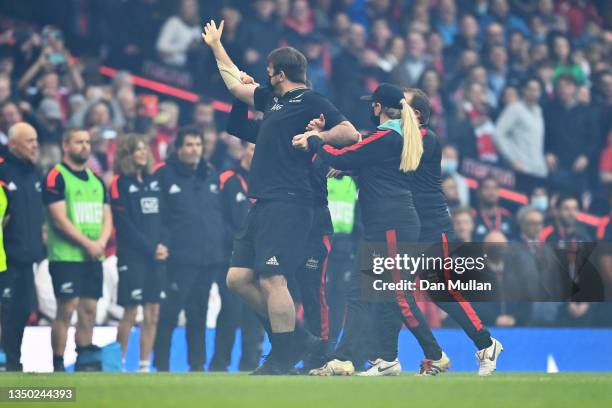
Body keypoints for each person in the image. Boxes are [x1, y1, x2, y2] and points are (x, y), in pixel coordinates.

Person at [202, 20, 358, 374]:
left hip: (291, 201)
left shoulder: (310, 100)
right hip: (265, 201)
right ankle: (296, 341)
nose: (265, 76)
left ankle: (283, 355)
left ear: (280, 73)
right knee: (238, 279)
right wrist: (216, 46)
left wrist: (317, 138)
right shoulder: (273, 101)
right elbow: (235, 84)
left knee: (274, 279)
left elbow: (349, 132)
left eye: (269, 71)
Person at [293, 83, 445, 376]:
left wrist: (314, 139)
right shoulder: (397, 138)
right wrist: (349, 165)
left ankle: (435, 355)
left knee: (396, 296)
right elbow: (370, 165)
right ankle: (345, 358)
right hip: (391, 222)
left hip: (390, 224)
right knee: (360, 293)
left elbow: (342, 156)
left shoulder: (386, 136)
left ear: (377, 107)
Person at [365, 88, 501, 377]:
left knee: (439, 290)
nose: (396, 109)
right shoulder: (402, 138)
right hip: (411, 224)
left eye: (403, 105)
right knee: (395, 290)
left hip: (431, 224)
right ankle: (388, 357)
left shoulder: (426, 138)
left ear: (415, 115)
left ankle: (485, 344)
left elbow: (378, 149)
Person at [153, 127, 224, 372]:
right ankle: (160, 366)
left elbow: (218, 215)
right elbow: (159, 216)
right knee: (169, 315)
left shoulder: (211, 173)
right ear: (179, 148)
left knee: (199, 317)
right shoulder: (163, 174)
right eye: (189, 145)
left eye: (198, 145)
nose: (194, 150)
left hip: (208, 259)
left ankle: (197, 367)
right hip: (177, 259)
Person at [44, 129, 113, 372]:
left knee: (89, 308)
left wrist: (101, 243)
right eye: (79, 142)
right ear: (66, 145)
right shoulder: (56, 176)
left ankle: (85, 359)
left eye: (87, 142)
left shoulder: (97, 180)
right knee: (66, 308)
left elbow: (107, 217)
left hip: (94, 255)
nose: (85, 146)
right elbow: (59, 220)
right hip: (66, 256)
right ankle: (58, 363)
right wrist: (89, 244)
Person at [111, 134, 168, 372]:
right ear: (127, 154)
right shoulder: (119, 183)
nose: (143, 153)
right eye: (137, 149)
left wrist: (164, 244)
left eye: (145, 149)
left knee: (152, 311)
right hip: (132, 256)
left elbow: (165, 218)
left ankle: (144, 366)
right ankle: (117, 364)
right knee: (131, 311)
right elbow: (124, 224)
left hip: (156, 256)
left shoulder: (154, 181)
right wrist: (151, 247)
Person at [209, 140, 264, 372]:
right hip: (229, 256)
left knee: (254, 312)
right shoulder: (227, 178)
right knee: (230, 310)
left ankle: (250, 363)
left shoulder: (268, 179)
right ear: (243, 150)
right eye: (252, 148)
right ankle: (220, 363)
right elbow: (216, 216)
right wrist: (239, 242)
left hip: (259, 257)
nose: (256, 153)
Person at [0, 123, 44, 372]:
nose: (35, 145)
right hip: (6, 257)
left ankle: (13, 360)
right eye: (29, 141)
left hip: (28, 258)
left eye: (36, 140)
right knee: (4, 311)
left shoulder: (35, 173)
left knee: (22, 310)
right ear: (13, 144)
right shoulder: (3, 173)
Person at [473, 177, 515, 241]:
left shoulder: (508, 217)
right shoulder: (472, 217)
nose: (491, 192)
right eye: (486, 188)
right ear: (479, 192)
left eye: (495, 188)